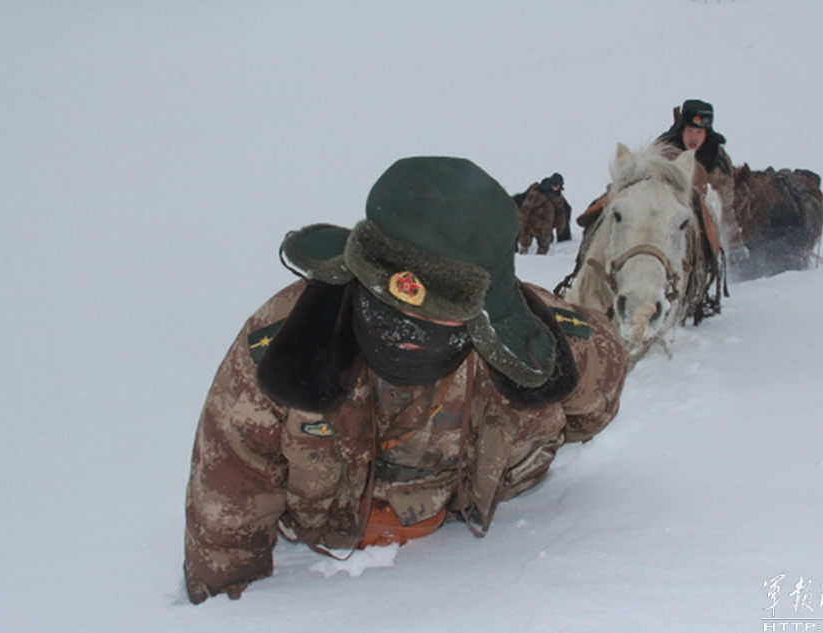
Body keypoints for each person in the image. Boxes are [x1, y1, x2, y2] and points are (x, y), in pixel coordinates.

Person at [183, 156, 629, 604]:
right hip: (335, 575)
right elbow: (231, 486)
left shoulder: (559, 350)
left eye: (437, 311)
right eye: (387, 300)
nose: (407, 326)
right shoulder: (283, 344)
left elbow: (595, 403)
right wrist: (225, 603)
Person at [656, 99, 747, 260]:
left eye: (699, 132)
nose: (694, 137)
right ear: (682, 130)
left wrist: (733, 245)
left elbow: (726, 205)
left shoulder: (716, 160)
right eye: (690, 130)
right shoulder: (662, 150)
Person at [514, 172, 572, 254]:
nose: (557, 188)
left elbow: (561, 212)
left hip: (546, 226)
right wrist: (521, 223)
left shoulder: (558, 198)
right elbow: (526, 209)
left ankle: (541, 262)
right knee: (525, 242)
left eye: (559, 186)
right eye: (555, 185)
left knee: (544, 247)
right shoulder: (536, 193)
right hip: (531, 224)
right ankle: (525, 255)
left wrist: (561, 224)